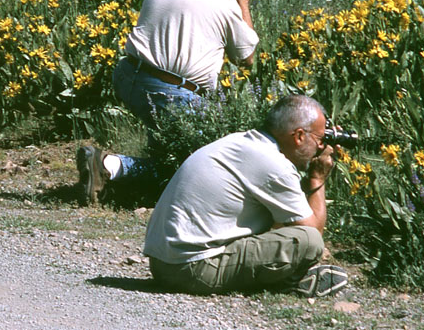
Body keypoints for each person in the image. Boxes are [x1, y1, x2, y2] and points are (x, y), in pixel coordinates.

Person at [76, 0, 259, 205]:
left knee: (175, 146)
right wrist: (242, 0)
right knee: (198, 167)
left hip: (129, 76)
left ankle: (128, 175)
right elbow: (247, 58)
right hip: (171, 92)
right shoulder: (223, 0)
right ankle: (110, 165)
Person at [142, 94, 348, 297]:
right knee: (308, 241)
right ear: (299, 136)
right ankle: (288, 282)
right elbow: (312, 233)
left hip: (164, 263)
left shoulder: (242, 142)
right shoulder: (274, 164)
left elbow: (283, 223)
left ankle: (280, 277)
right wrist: (317, 178)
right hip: (192, 270)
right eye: (320, 139)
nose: (321, 147)